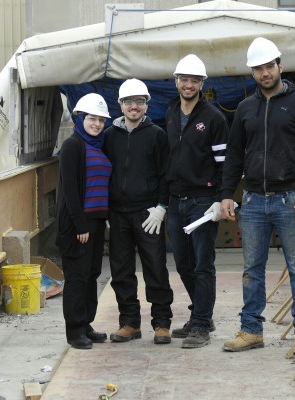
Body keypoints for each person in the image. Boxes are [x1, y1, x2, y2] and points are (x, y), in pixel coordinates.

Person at [220, 37, 295, 355]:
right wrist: (226, 194)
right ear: (252, 73)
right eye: (258, 68)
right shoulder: (245, 108)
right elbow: (234, 154)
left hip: (291, 199)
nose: (265, 73)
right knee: (252, 268)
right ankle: (252, 330)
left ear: (280, 66)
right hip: (253, 201)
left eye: (269, 66)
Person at [103, 78, 174, 345]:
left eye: (140, 101)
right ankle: (129, 323)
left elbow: (166, 175)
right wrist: (106, 211)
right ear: (120, 105)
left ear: (146, 105)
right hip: (118, 214)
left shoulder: (157, 135)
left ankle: (162, 323)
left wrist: (161, 208)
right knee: (121, 271)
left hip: (147, 214)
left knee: (156, 268)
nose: (134, 106)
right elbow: (102, 174)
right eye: (129, 101)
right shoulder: (109, 137)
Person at [165, 54, 229, 348]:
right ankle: (202, 314)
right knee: (182, 263)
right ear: (176, 81)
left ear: (202, 83)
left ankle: (201, 325)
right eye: (184, 79)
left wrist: (219, 199)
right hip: (176, 200)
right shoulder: (169, 112)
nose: (188, 85)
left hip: (202, 201)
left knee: (203, 264)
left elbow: (223, 163)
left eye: (194, 80)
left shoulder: (213, 117)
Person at [56, 93, 112, 350]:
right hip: (79, 224)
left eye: (101, 120)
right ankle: (75, 330)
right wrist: (80, 225)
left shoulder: (98, 145)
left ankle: (86, 323)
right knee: (77, 278)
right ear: (80, 118)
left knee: (91, 275)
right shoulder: (73, 145)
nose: (97, 124)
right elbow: (69, 190)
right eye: (92, 118)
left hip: (97, 222)